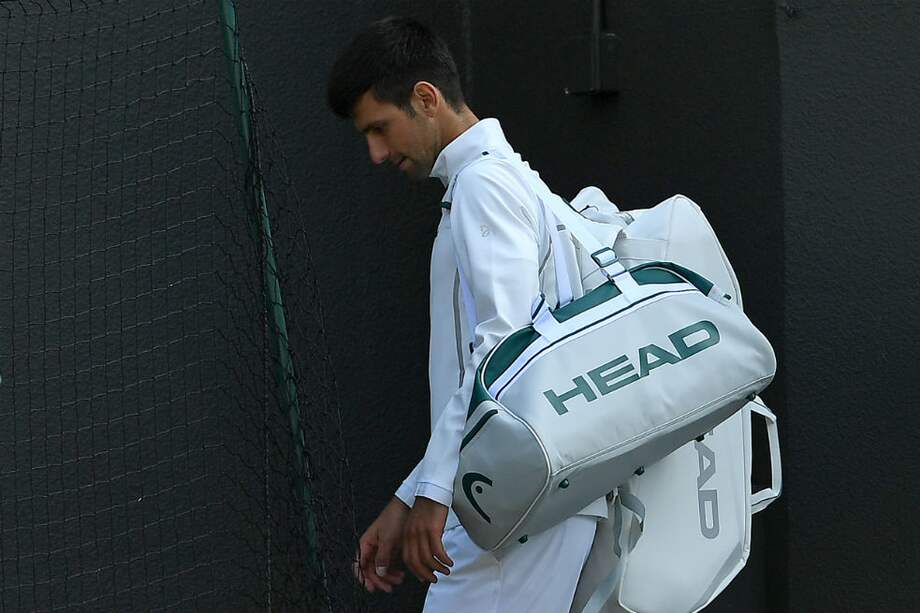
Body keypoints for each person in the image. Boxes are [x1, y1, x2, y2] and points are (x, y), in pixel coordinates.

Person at [326, 16, 606, 613]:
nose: (376, 153)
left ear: (425, 99)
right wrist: (410, 496)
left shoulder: (483, 184)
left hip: (514, 498)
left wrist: (434, 491)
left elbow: (505, 345)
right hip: (529, 491)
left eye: (380, 128)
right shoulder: (505, 179)